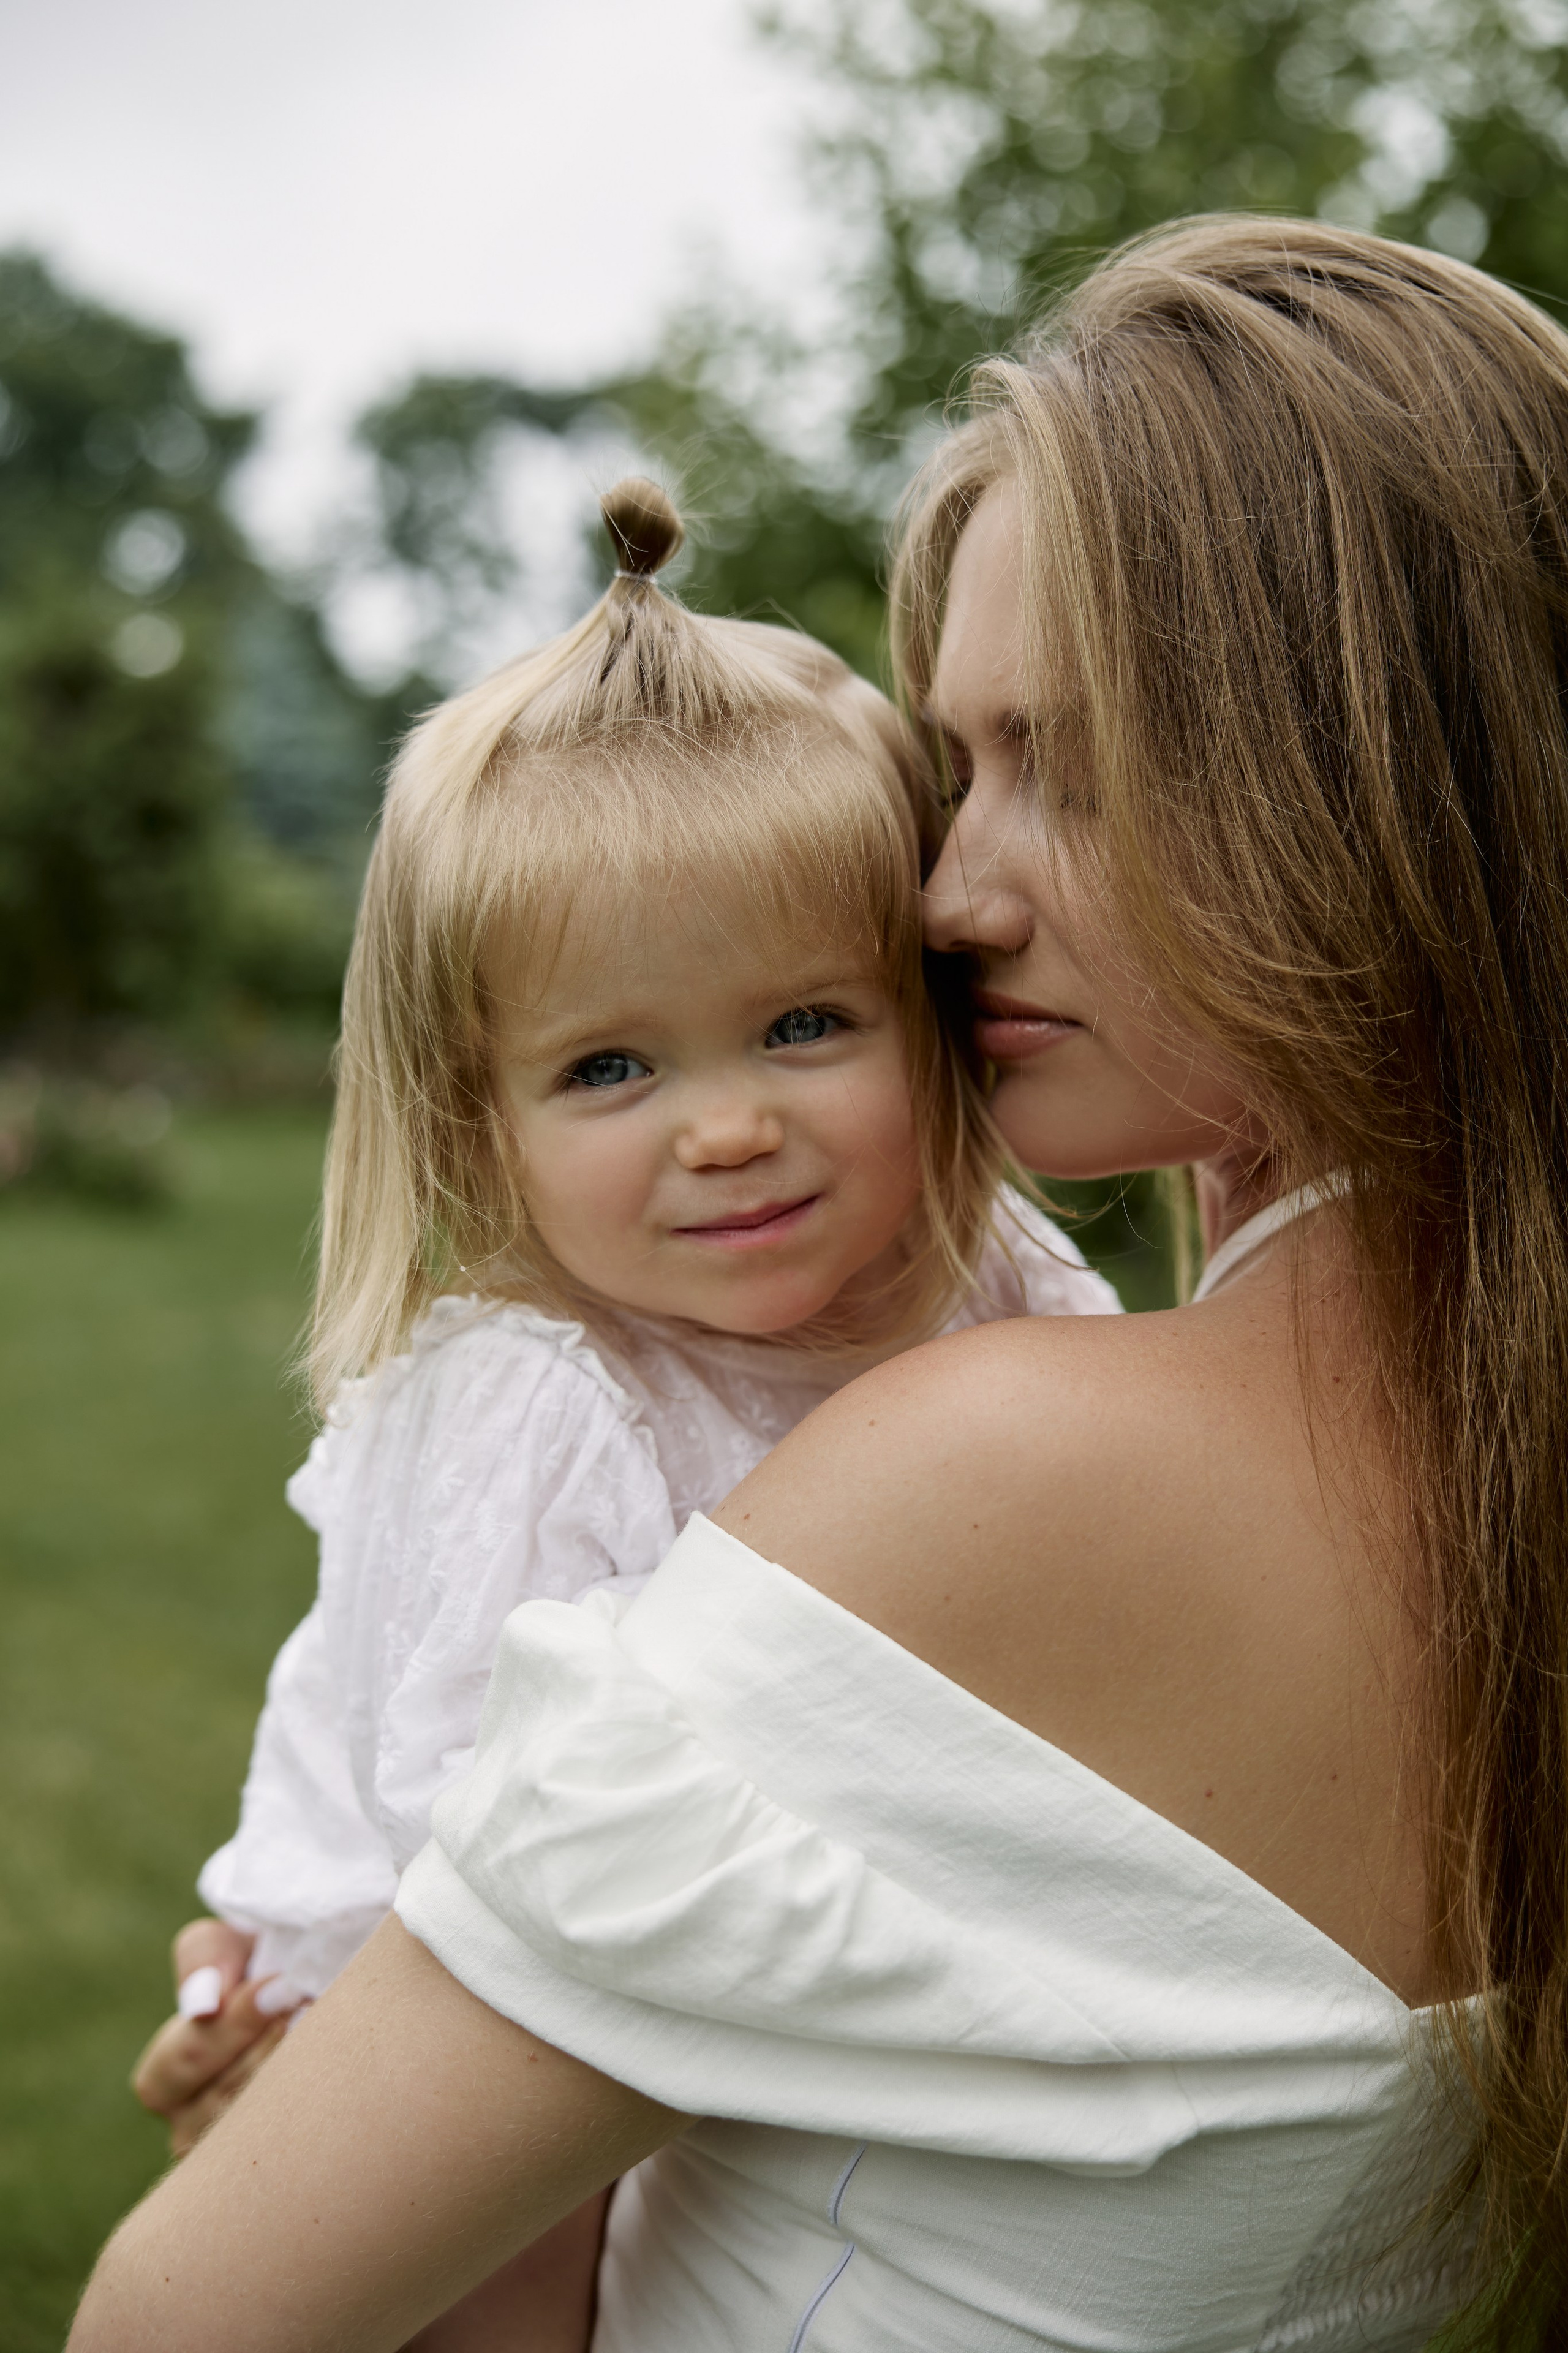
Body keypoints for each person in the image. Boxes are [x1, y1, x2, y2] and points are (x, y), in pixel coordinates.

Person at [70, 214, 1568, 2351]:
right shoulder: (1494, 1448)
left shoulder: (1009, 1469)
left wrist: (306, 2116)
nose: (946, 893)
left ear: (1364, 786)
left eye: (1063, 762)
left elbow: (180, 2324)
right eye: (957, 771)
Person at [126, 473, 1117, 2349]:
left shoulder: (992, 1282)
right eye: (609, 1066)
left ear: (927, 1012)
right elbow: (493, 1866)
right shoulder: (542, 1393)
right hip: (426, 1978)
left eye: (804, 1026)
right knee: (515, 2275)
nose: (725, 1122)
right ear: (474, 1119)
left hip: (725, 1981)